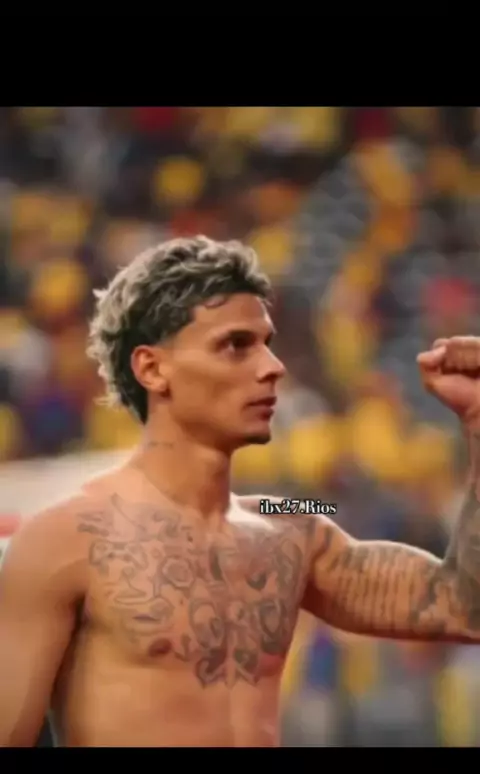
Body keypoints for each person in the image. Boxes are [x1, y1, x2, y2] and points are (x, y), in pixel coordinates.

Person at [2, 235, 480, 748]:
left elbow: (462, 608)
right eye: (236, 345)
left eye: (266, 342)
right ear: (152, 369)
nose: (273, 366)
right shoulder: (62, 540)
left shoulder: (291, 527)